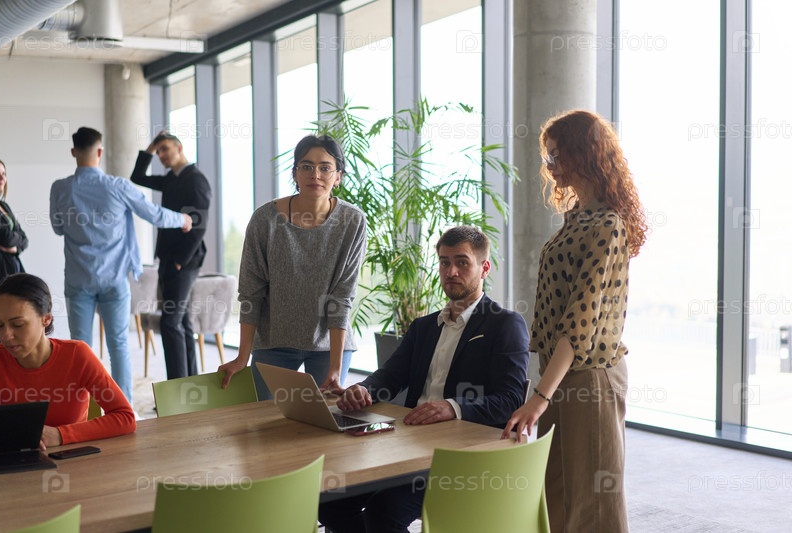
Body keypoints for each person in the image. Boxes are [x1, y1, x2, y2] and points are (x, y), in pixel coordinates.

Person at [318, 225, 530, 533]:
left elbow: (510, 399)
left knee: (384, 512)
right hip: (409, 445)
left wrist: (453, 407)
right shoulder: (424, 327)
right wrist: (364, 389)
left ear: (484, 268)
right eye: (445, 262)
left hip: (461, 457)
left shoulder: (505, 324)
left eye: (462, 262)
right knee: (329, 501)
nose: (451, 271)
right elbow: (391, 375)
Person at [502, 110, 648, 533]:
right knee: (557, 497)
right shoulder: (579, 217)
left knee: (593, 508)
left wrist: (539, 396)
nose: (550, 165)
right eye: (547, 156)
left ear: (584, 154)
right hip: (561, 373)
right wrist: (545, 389)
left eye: (557, 155)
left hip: (590, 377)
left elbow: (579, 320)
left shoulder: (607, 224)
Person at [50, 127, 192, 403]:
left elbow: (57, 228)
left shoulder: (60, 188)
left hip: (78, 278)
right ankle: (122, 407)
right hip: (114, 278)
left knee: (80, 346)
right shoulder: (118, 187)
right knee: (119, 345)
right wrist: (182, 219)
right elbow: (154, 215)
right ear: (100, 152)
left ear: (73, 152)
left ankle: (81, 409)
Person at [219, 135, 366, 398]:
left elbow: (342, 297)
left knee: (320, 419)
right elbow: (251, 293)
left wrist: (335, 368)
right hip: (273, 342)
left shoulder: (352, 221)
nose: (315, 175)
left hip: (328, 346)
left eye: (325, 167)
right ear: (295, 173)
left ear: (338, 176)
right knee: (265, 418)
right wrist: (242, 357)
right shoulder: (265, 219)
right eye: (306, 166)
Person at [0, 273, 136, 448]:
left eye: (18, 325)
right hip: (15, 459)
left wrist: (60, 435)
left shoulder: (77, 355)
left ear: (46, 319)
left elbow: (125, 417)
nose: (6, 336)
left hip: (72, 457)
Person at [130, 131, 212, 380]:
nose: (161, 155)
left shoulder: (195, 179)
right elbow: (137, 177)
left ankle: (177, 387)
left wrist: (178, 261)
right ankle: (191, 383)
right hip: (169, 259)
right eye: (159, 151)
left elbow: (199, 226)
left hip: (183, 261)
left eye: (165, 149)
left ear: (179, 147)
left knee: (170, 322)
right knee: (182, 323)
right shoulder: (171, 179)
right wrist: (149, 148)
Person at [0, 156, 28, 345]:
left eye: (4, 174)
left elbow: (24, 239)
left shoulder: (3, 205)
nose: (2, 178)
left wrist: (14, 246)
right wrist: (14, 241)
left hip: (12, 270)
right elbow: (4, 236)